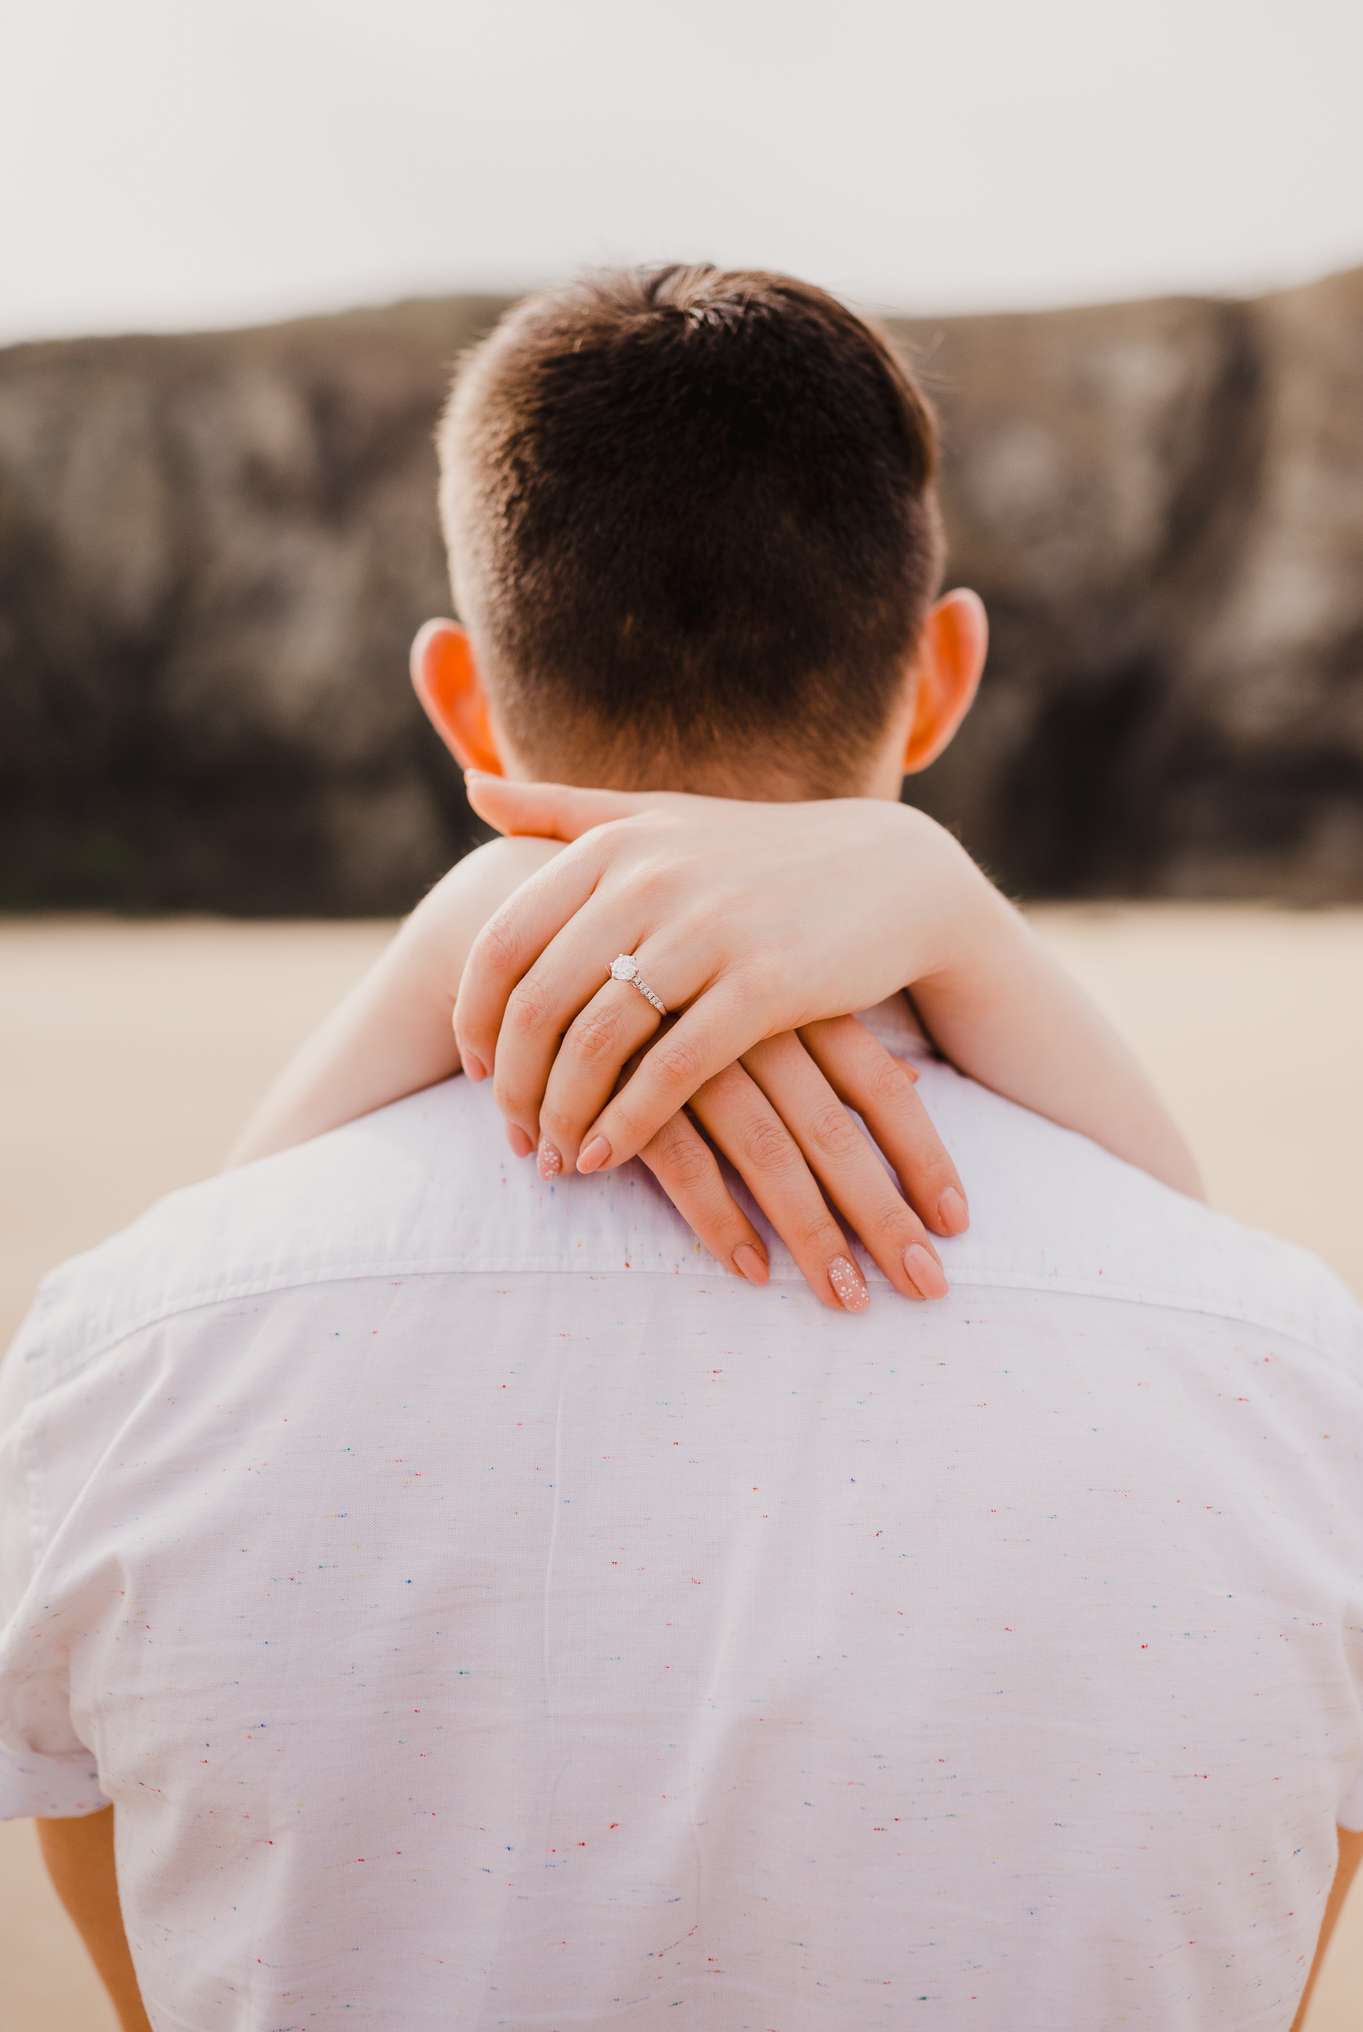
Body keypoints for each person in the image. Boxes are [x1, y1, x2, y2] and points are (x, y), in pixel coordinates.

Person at [2, 264, 1360, 2031]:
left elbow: (142, 1956)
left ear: (461, 703)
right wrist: (961, 921)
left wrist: (465, 935)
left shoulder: (127, 1359)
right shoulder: (1287, 1376)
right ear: (942, 677)